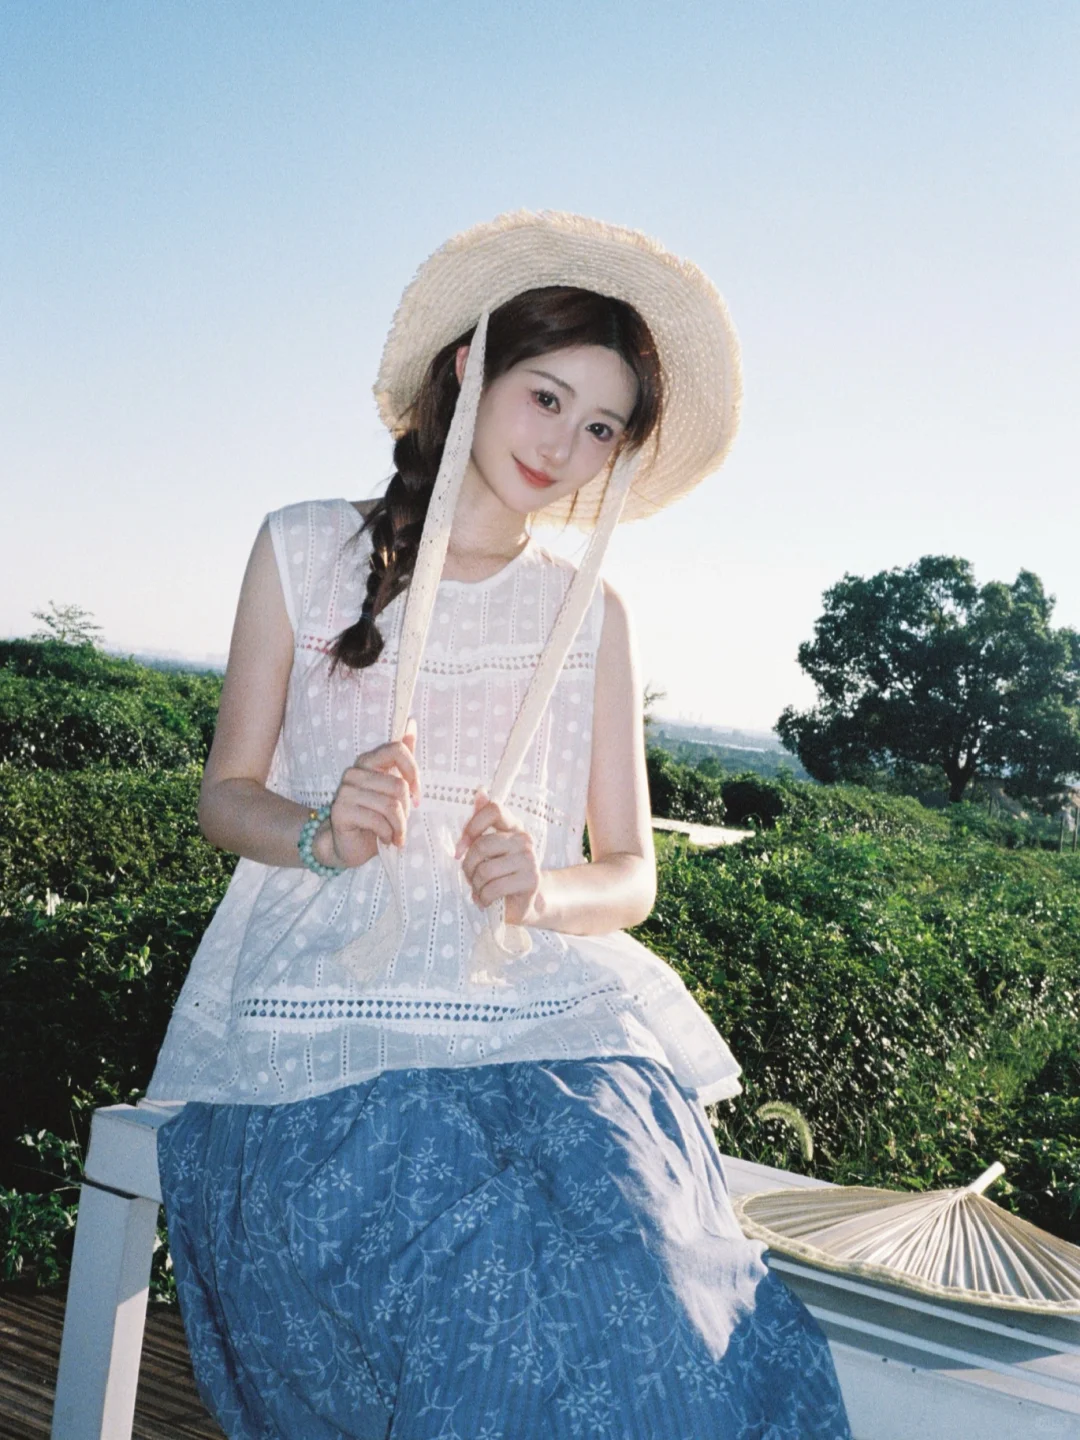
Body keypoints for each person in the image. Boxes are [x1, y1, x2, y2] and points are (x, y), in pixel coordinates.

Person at [147, 211, 852, 1439]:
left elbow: (629, 874)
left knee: (653, 1275)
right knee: (471, 1277)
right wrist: (320, 832)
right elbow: (225, 795)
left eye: (602, 428)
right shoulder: (304, 549)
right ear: (471, 367)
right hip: (332, 997)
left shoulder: (592, 614)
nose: (565, 446)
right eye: (547, 398)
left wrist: (541, 888)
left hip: (548, 1014)